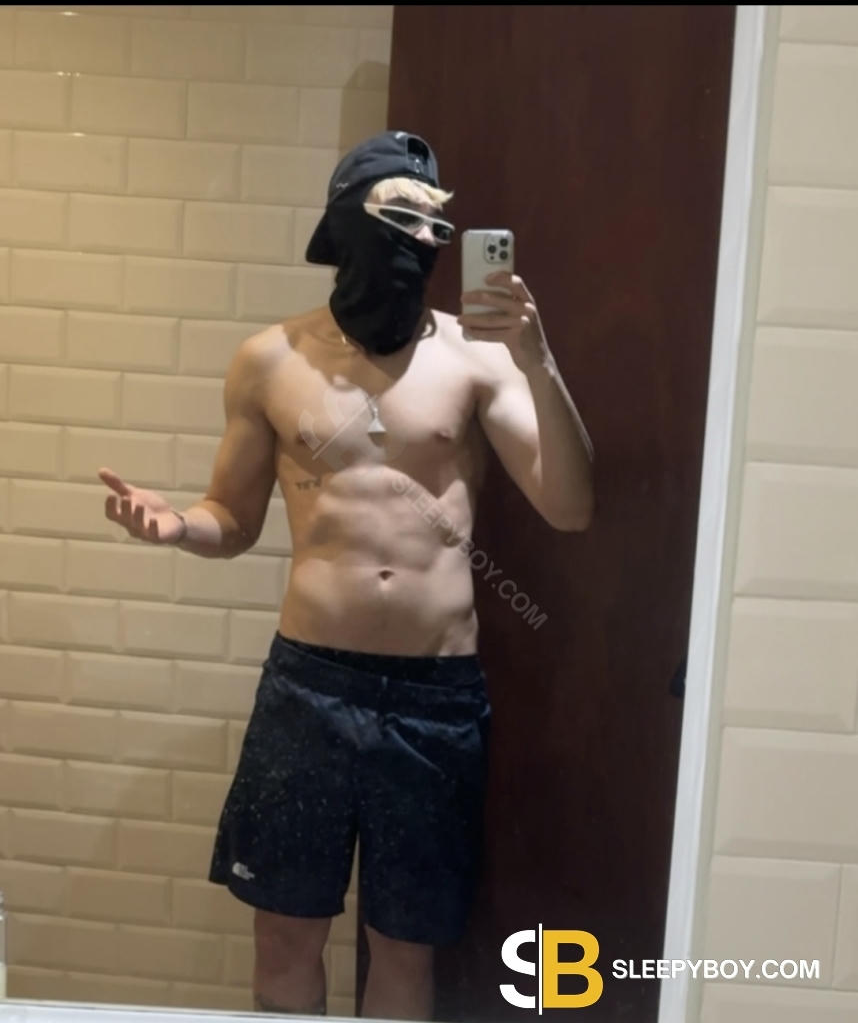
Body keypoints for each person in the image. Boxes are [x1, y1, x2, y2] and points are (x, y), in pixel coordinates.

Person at [99, 130, 594, 1020]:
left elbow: (570, 507)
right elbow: (231, 519)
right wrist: (177, 527)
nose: (423, 237)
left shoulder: (477, 356)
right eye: (400, 214)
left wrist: (539, 358)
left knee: (404, 945)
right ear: (345, 221)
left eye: (436, 221)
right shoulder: (272, 360)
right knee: (285, 935)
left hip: (435, 699)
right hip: (309, 690)